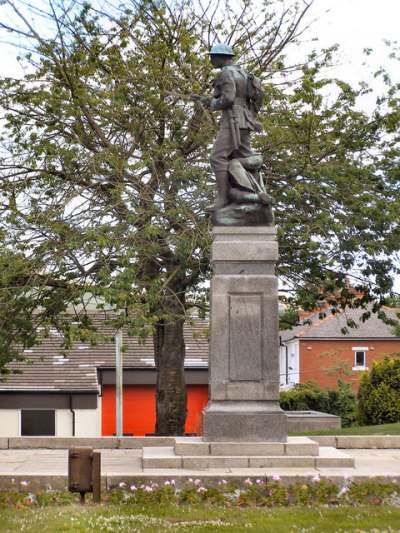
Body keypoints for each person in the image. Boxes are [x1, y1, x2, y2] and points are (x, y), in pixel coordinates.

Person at [201, 43, 262, 212]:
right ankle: (254, 191)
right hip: (245, 120)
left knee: (217, 157)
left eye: (213, 56)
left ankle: (222, 198)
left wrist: (213, 103)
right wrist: (209, 101)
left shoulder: (226, 73)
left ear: (222, 57)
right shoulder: (242, 73)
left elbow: (227, 98)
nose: (211, 60)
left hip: (232, 121)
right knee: (244, 154)